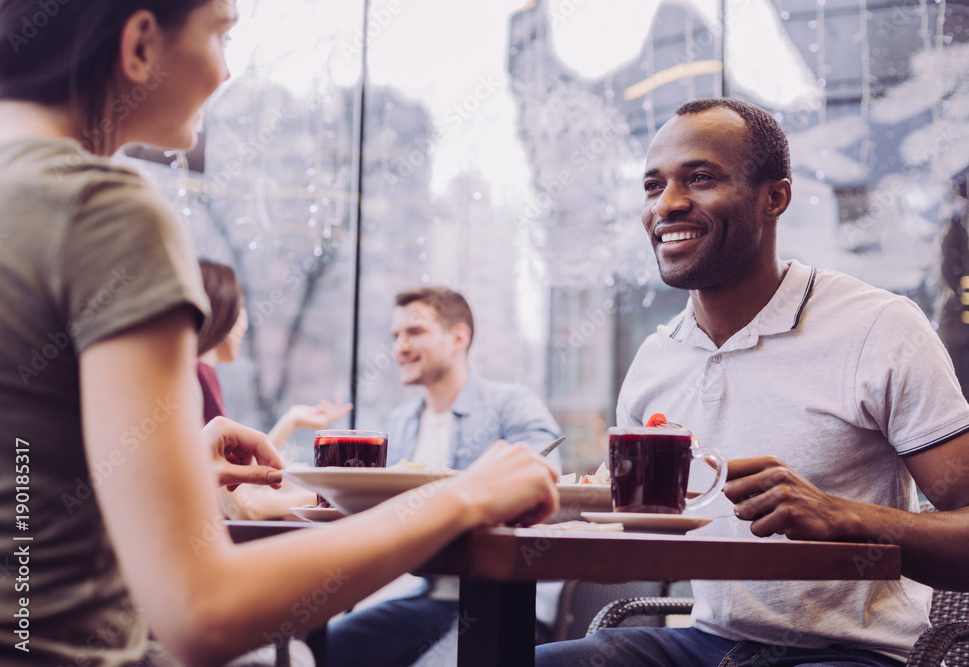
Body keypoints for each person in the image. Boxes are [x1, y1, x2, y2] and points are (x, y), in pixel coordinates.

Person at [0, 3, 559, 665]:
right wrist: (461, 494)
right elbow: (201, 611)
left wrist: (163, 464)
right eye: (221, 34)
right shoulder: (103, 208)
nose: (226, 70)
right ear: (140, 45)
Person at [536, 97, 969, 666]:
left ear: (774, 197)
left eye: (700, 178)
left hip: (849, 652)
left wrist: (843, 516)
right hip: (703, 641)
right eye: (653, 186)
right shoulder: (657, 359)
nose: (669, 204)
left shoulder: (878, 327)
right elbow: (637, 542)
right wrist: (556, 507)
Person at [326, 286, 562, 666]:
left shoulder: (512, 405)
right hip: (426, 595)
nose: (400, 346)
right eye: (396, 336)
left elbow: (543, 480)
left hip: (500, 599)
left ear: (458, 337)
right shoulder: (399, 423)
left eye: (414, 332)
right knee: (321, 649)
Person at [196, 258, 353, 518]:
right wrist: (334, 498)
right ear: (221, 308)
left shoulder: (202, 375)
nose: (244, 321)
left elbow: (234, 483)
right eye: (241, 306)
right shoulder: (199, 375)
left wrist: (291, 420)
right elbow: (242, 506)